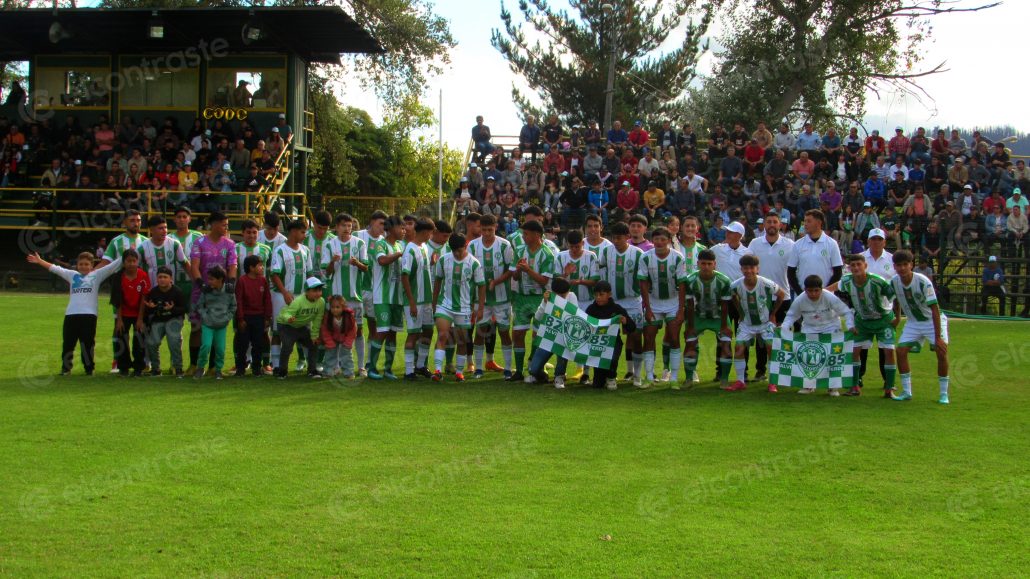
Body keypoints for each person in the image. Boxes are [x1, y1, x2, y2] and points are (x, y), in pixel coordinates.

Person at [27, 251, 123, 375]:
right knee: (68, 343)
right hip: (71, 314)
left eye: (86, 264)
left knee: (87, 344)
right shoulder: (72, 275)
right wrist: (40, 261)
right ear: (77, 265)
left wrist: (126, 253)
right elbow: (55, 269)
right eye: (81, 264)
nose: (83, 266)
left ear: (91, 265)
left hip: (89, 316)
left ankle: (89, 369)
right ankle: (66, 369)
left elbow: (112, 266)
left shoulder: (96, 275)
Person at [829, 254, 898, 397]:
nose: (856, 268)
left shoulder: (877, 281)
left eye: (858, 264)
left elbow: (895, 296)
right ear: (849, 268)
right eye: (852, 265)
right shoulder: (847, 281)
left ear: (865, 266)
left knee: (889, 351)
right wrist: (817, 293)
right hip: (862, 321)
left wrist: (897, 317)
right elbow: (832, 288)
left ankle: (889, 388)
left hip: (883, 320)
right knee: (854, 351)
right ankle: (854, 387)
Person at [890, 250, 950, 403]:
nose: (902, 268)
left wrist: (938, 337)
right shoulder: (894, 281)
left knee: (941, 352)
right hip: (913, 322)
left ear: (911, 265)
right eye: (899, 265)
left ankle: (944, 394)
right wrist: (897, 317)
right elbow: (895, 300)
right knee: (901, 351)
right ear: (894, 266)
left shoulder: (923, 281)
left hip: (932, 320)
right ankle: (907, 392)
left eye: (905, 264)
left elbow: (935, 309)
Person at [780, 275, 856, 396]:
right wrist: (783, 328)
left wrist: (850, 325)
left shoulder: (829, 297)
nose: (813, 294)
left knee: (832, 357)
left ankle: (833, 387)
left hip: (831, 326)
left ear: (821, 289)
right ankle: (808, 386)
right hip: (810, 327)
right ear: (805, 290)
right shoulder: (800, 299)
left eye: (816, 290)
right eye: (810, 291)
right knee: (808, 356)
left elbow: (845, 311)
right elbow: (791, 315)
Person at [431, 233, 486, 382]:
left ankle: (459, 372)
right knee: (442, 335)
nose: (456, 253)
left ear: (465, 246)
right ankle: (437, 370)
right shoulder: (443, 260)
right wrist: (434, 303)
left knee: (462, 340)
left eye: (459, 250)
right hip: (445, 305)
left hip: (464, 307)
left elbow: (481, 286)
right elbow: (437, 282)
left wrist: (480, 308)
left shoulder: (474, 264)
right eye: (454, 250)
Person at [638, 227, 687, 387]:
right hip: (654, 303)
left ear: (668, 241)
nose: (659, 242)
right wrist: (648, 308)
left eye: (663, 239)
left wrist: (681, 309)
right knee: (649, 337)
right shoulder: (645, 258)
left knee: (674, 338)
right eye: (656, 239)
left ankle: (673, 378)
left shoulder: (678, 257)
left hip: (673, 303)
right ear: (653, 241)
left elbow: (682, 284)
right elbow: (643, 283)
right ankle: (649, 376)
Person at [468, 214, 516, 379]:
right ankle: (479, 368)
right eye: (484, 230)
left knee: (504, 332)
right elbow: (470, 270)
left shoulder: (504, 245)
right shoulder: (473, 246)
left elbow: (511, 269)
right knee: (480, 331)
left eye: (490, 229)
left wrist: (496, 282)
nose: (487, 233)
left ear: (495, 227)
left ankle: (508, 368)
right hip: (481, 299)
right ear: (480, 228)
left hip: (502, 297)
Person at [729, 254, 786, 392]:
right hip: (747, 324)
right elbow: (733, 297)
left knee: (770, 348)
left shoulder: (766, 283)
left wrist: (773, 314)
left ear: (757, 269)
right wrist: (740, 313)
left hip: (765, 323)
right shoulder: (736, 285)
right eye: (745, 268)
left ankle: (772, 382)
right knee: (739, 348)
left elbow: (782, 295)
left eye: (751, 268)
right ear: (741, 269)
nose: (748, 271)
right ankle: (740, 381)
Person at [508, 220, 556, 381]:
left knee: (538, 335)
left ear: (536, 235)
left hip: (539, 299)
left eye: (526, 234)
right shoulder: (520, 250)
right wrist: (519, 271)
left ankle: (534, 366)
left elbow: (543, 281)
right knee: (518, 334)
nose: (523, 237)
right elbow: (513, 275)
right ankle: (519, 371)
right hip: (521, 299)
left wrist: (528, 269)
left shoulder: (547, 254)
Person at [323, 213, 369, 373]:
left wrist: (357, 263)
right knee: (335, 331)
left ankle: (361, 366)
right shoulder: (329, 245)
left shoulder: (359, 243)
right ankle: (336, 366)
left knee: (358, 330)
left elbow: (366, 267)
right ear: (336, 227)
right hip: (337, 297)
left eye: (349, 225)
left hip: (355, 296)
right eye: (343, 225)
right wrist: (332, 262)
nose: (347, 228)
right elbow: (327, 273)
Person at [682, 249, 734, 388]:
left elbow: (725, 305)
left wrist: (724, 326)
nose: (706, 266)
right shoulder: (690, 280)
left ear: (714, 264)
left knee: (726, 344)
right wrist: (691, 327)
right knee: (690, 343)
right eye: (703, 263)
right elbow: (690, 305)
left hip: (719, 317)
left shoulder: (723, 280)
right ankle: (689, 379)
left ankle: (724, 379)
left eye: (709, 264)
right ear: (698, 263)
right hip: (698, 316)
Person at [269, 219, 315, 373]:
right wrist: (284, 292)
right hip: (282, 296)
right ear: (293, 231)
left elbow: (309, 274)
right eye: (303, 232)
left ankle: (310, 366)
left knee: (304, 331)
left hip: (301, 297)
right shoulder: (280, 250)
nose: (305, 235)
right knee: (277, 331)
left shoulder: (305, 250)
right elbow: (274, 274)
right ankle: (276, 365)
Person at [366, 215, 406, 380]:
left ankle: (388, 369)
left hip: (397, 297)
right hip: (382, 296)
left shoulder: (399, 245)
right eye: (401, 228)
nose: (404, 231)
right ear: (391, 229)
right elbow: (382, 261)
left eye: (404, 228)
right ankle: (371, 368)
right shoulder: (380, 244)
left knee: (392, 333)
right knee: (381, 331)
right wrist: (398, 254)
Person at [400, 218, 436, 380]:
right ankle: (409, 371)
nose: (431, 235)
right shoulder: (410, 250)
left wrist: (432, 263)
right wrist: (412, 302)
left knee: (428, 331)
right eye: (430, 232)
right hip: (415, 301)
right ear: (424, 232)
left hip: (426, 300)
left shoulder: (425, 247)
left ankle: (421, 365)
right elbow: (405, 276)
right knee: (413, 334)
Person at [525, 278, 577, 387]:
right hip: (548, 337)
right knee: (533, 370)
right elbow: (538, 317)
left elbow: (574, 317)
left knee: (564, 350)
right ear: (553, 292)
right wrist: (544, 303)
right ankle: (541, 376)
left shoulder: (572, 297)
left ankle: (559, 376)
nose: (561, 298)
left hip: (563, 338)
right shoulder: (548, 297)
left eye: (563, 296)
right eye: (559, 296)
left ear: (568, 291)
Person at [584, 281, 636, 390]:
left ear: (609, 294)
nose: (598, 298)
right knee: (597, 385)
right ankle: (599, 377)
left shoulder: (617, 309)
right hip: (597, 344)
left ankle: (612, 377)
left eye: (601, 295)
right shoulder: (591, 309)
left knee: (612, 360)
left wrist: (625, 321)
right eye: (596, 295)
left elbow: (632, 328)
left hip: (613, 343)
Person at [140, 266, 188, 378]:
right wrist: (151, 308)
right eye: (160, 277)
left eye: (165, 277)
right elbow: (149, 310)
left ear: (171, 279)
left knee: (174, 342)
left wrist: (172, 309)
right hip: (159, 320)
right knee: (152, 343)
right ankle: (156, 369)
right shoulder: (153, 292)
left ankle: (178, 368)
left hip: (174, 320)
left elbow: (184, 309)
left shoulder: (177, 292)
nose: (162, 279)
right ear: (157, 279)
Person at [274, 276, 326, 379]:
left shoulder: (321, 302)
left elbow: (317, 319)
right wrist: (289, 318)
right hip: (286, 325)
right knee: (287, 346)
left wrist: (314, 335)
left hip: (301, 326)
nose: (318, 293)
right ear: (307, 291)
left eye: (320, 290)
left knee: (313, 344)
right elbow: (286, 313)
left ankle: (312, 370)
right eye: (315, 290)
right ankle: (282, 371)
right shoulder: (299, 301)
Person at [354, 211, 386, 376]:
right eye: (380, 223)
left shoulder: (384, 242)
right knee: (352, 327)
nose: (382, 227)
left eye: (384, 224)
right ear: (372, 222)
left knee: (374, 327)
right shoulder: (357, 236)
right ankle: (340, 363)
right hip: (357, 289)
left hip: (375, 291)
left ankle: (367, 363)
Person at [110, 249, 150, 377]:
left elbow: (144, 298)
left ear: (138, 261)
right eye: (129, 261)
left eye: (134, 261)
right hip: (124, 314)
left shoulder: (143, 276)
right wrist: (119, 319)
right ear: (123, 262)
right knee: (120, 339)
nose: (131, 264)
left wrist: (140, 319)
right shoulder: (118, 277)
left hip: (139, 313)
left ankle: (138, 367)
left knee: (139, 341)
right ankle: (123, 367)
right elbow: (118, 300)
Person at [192, 265, 235, 380]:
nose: (208, 281)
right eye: (208, 279)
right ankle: (200, 368)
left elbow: (233, 306)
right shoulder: (206, 291)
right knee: (205, 346)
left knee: (220, 349)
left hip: (221, 325)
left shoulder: (229, 291)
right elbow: (200, 305)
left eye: (211, 279)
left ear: (220, 279)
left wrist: (227, 318)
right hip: (208, 325)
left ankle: (218, 370)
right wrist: (205, 316)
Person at [787, 209, 843, 294]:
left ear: (819, 223)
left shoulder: (832, 244)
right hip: (803, 296)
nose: (805, 224)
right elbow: (790, 272)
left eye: (809, 221)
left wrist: (825, 292)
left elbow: (838, 272)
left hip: (825, 297)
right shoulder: (797, 244)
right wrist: (800, 293)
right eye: (804, 221)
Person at [234, 255, 272, 377]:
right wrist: (240, 318)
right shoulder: (242, 281)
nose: (262, 268)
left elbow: (267, 299)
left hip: (259, 317)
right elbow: (238, 301)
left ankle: (257, 368)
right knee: (243, 344)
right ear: (251, 268)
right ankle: (240, 368)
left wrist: (267, 317)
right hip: (245, 318)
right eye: (259, 265)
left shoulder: (263, 280)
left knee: (258, 344)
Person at [320, 296, 358, 378]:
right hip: (332, 339)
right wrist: (329, 342)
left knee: (346, 355)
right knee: (330, 355)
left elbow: (353, 330)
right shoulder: (327, 317)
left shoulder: (349, 316)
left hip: (345, 339)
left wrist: (348, 342)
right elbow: (325, 330)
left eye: (338, 307)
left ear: (343, 307)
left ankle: (349, 373)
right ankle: (327, 372)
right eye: (332, 307)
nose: (335, 309)